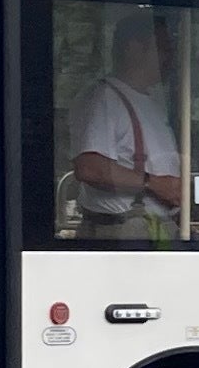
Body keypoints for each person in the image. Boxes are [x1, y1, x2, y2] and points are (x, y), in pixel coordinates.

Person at [71, 14, 183, 241]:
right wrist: (152, 183)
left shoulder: (151, 103)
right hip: (121, 234)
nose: (170, 57)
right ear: (133, 49)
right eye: (162, 48)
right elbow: (89, 167)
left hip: (151, 232)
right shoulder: (104, 99)